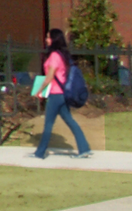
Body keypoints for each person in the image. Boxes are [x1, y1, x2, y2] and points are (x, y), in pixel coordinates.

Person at [35, 25, 92, 160]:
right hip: (62, 95)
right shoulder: (61, 55)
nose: (46, 39)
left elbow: (49, 77)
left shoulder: (54, 56)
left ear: (54, 39)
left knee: (48, 124)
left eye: (49, 37)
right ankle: (84, 148)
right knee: (70, 121)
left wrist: (39, 91)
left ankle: (40, 153)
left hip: (55, 95)